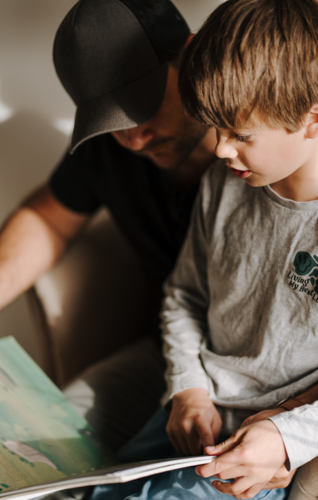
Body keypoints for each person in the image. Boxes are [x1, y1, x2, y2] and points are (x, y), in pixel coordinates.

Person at [0, 0, 316, 497]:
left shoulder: (260, 129)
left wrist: (290, 435)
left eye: (139, 108)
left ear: (188, 56)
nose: (133, 138)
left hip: (267, 405)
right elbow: (50, 218)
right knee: (34, 457)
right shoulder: (208, 180)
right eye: (111, 120)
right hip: (192, 360)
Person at [86, 0, 318, 499]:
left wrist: (286, 436)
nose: (219, 149)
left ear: (312, 119)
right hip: (195, 414)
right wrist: (187, 388)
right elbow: (184, 294)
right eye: (217, 127)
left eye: (240, 133)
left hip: (260, 448)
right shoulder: (224, 184)